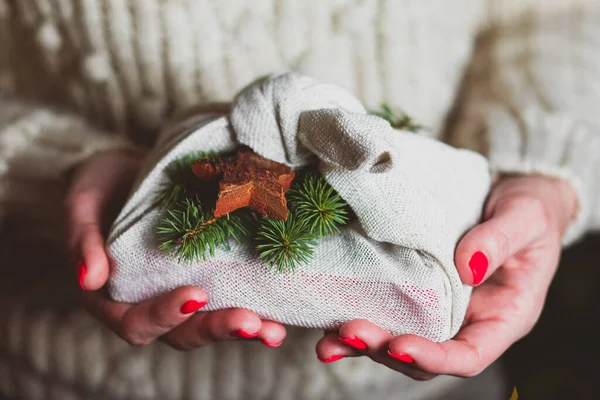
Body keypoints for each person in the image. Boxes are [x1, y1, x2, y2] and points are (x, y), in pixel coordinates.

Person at [1, 0, 598, 399]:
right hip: (61, 372)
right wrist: (55, 166)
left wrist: (541, 174)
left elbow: (555, 14)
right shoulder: (230, 173)